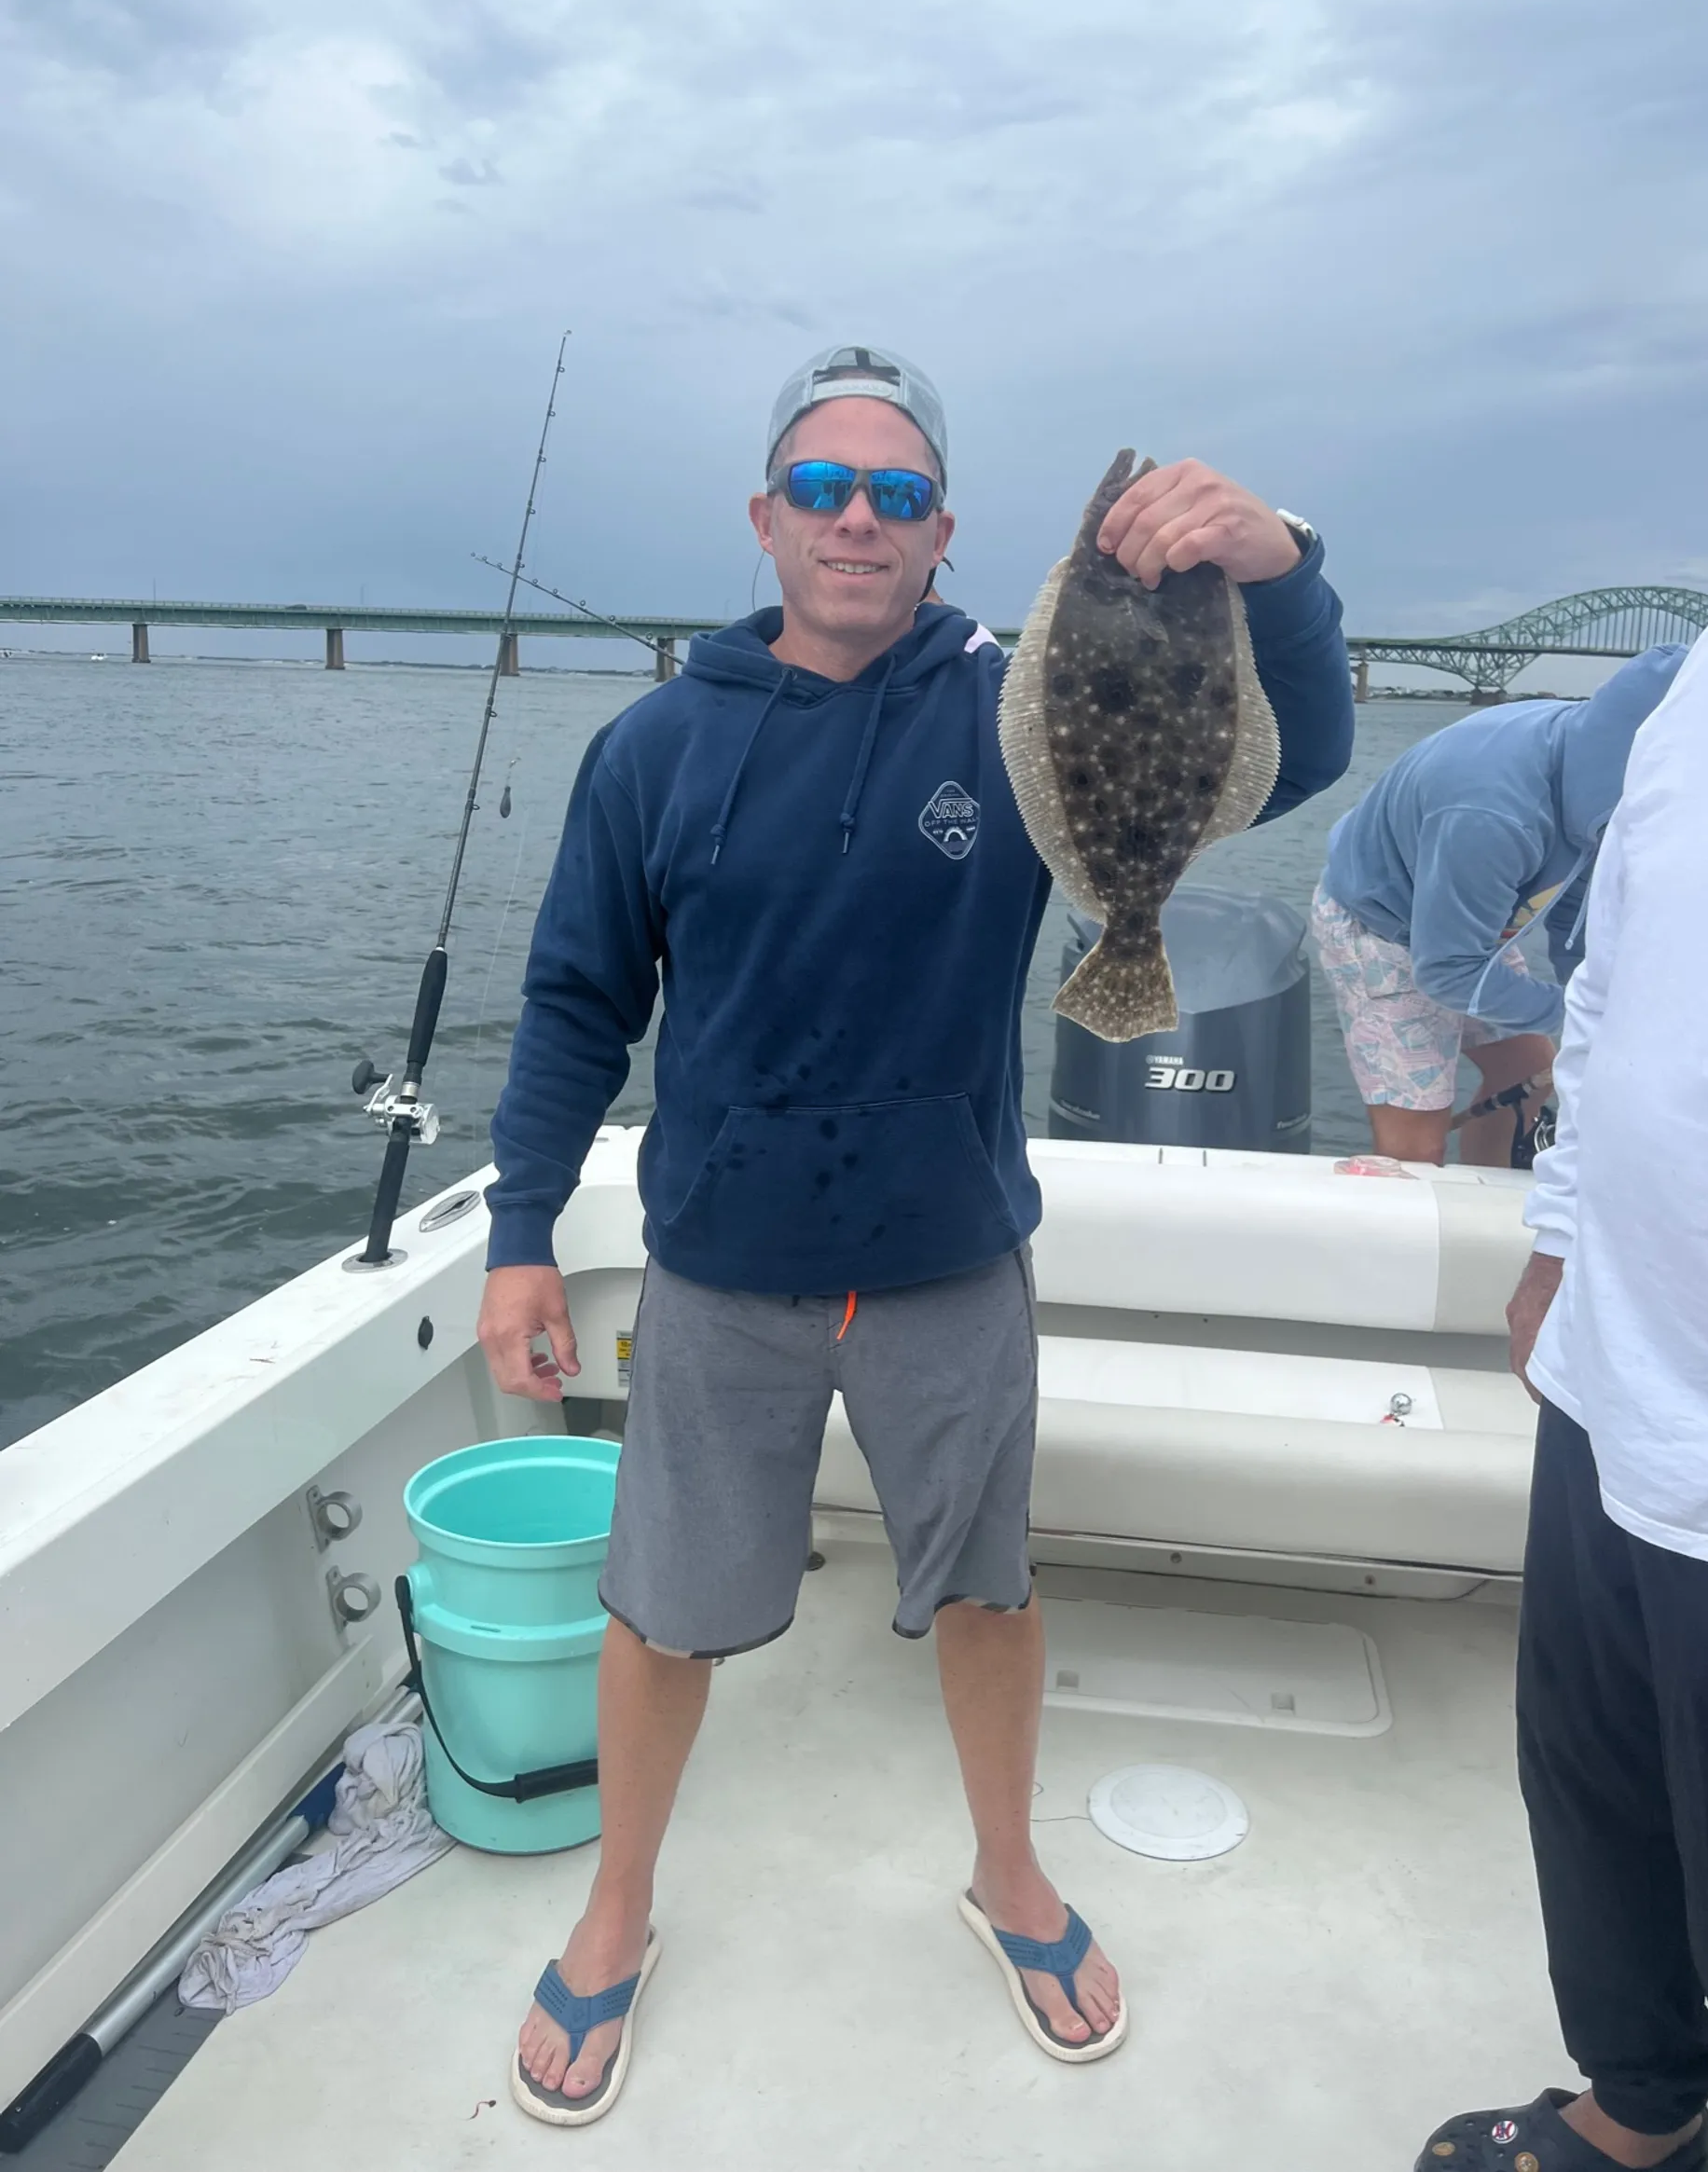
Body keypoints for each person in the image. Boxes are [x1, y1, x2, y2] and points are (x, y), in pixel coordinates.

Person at [475, 342, 1355, 2125]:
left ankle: (1007, 1871)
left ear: (946, 530)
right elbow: (577, 1002)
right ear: (765, 518)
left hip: (947, 1252)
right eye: (823, 487)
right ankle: (620, 1902)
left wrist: (1282, 571)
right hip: (721, 1260)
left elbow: (1293, 757)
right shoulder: (653, 746)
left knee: (988, 1587)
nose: (858, 518)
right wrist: (516, 1230)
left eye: (898, 493)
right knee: (661, 1612)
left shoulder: (1014, 711)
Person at [1415, 584, 1708, 2172]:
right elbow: (1614, 974)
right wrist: (1560, 1239)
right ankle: (1641, 2100)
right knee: (1596, 1794)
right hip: (1614, 1372)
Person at [1312, 647, 1685, 1165]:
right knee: (1416, 1145)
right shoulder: (1491, 814)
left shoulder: (1589, 761)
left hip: (1474, 922)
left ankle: (1487, 1186)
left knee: (1527, 1073)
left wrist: (1607, 996)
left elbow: (1574, 915)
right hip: (1380, 928)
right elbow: (1447, 972)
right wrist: (1582, 1009)